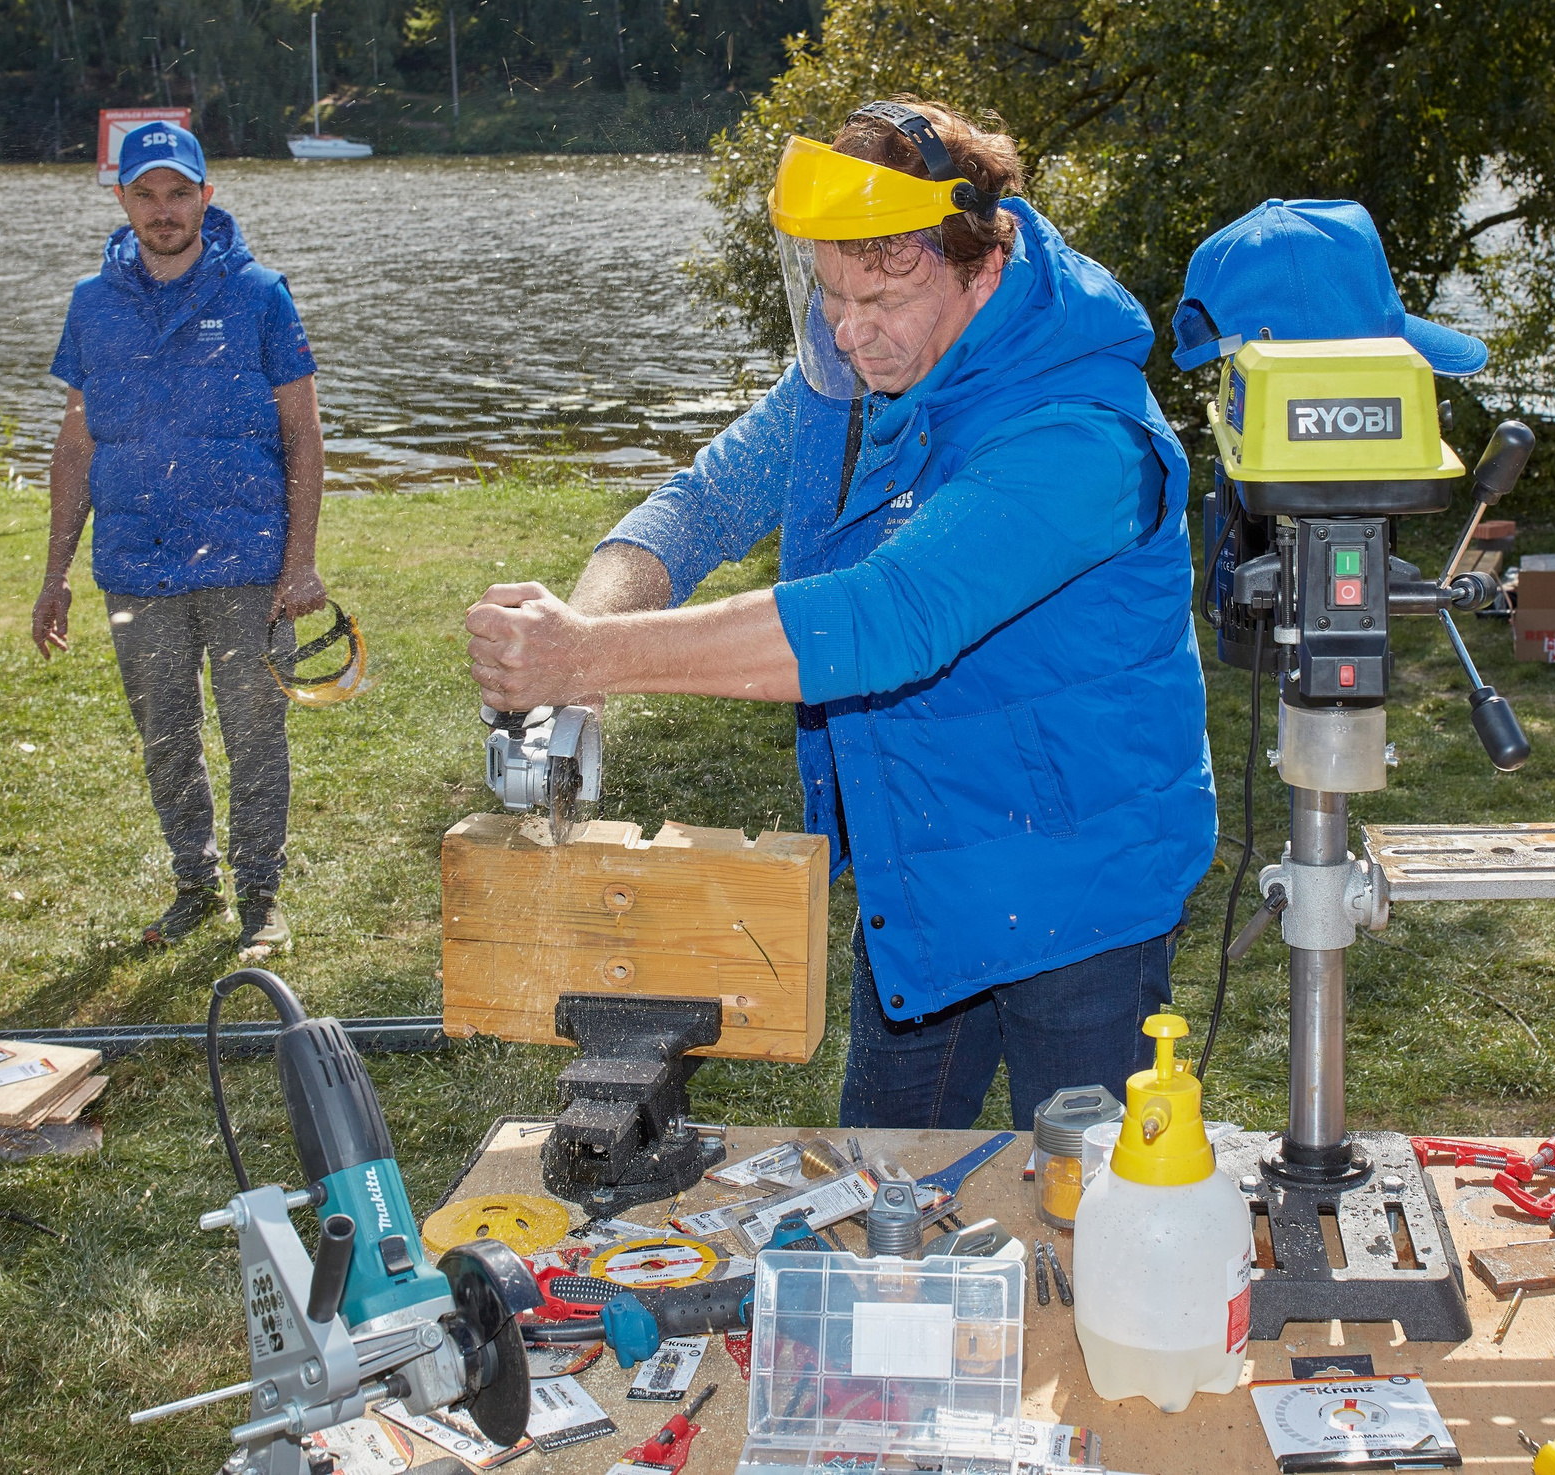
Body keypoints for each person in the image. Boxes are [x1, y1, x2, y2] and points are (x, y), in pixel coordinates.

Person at [465, 98, 1216, 1129]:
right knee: (878, 1186)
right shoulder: (858, 364)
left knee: (1085, 1213)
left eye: (878, 301)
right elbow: (703, 505)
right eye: (829, 295)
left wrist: (587, 653)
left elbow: (884, 619)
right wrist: (582, 650)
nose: (849, 331)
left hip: (1080, 888)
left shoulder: (1080, 434)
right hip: (923, 870)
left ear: (981, 269)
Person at [31, 121, 329, 957]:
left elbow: (303, 435)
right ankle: (194, 883)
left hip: (246, 562)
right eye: (145, 193)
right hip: (135, 565)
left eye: (178, 192)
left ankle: (262, 896)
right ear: (122, 200)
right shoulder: (93, 305)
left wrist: (299, 562)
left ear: (207, 195)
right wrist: (55, 574)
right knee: (166, 737)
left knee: (253, 734)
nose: (163, 210)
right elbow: (76, 444)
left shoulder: (261, 295)